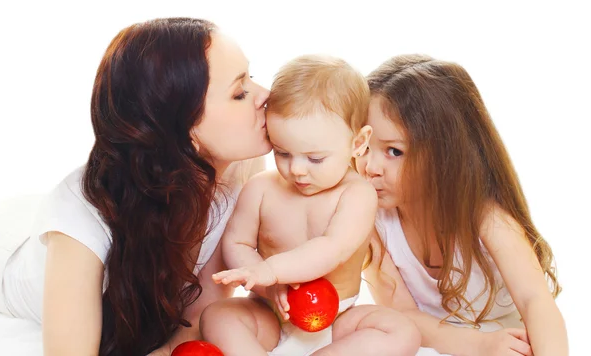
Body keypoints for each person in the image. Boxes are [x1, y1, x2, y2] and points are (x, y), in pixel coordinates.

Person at [0, 17, 272, 356]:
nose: (266, 95)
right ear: (183, 132)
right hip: (6, 256)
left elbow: (202, 312)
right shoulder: (80, 221)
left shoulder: (242, 166)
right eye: (240, 93)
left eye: (251, 78)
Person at [201, 55, 421, 356]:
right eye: (283, 153)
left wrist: (273, 270)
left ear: (358, 143)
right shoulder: (261, 188)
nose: (297, 170)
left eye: (315, 158)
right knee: (217, 317)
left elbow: (332, 248)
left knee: (401, 332)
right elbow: (236, 242)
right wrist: (265, 283)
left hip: (337, 320)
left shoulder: (357, 194)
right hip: (272, 315)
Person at [359, 54, 568, 355]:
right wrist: (480, 345)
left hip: (507, 345)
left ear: (444, 156)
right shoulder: (374, 221)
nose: (370, 166)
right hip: (442, 346)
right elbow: (402, 314)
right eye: (364, 146)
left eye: (393, 151)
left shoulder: (486, 218)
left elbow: (534, 300)